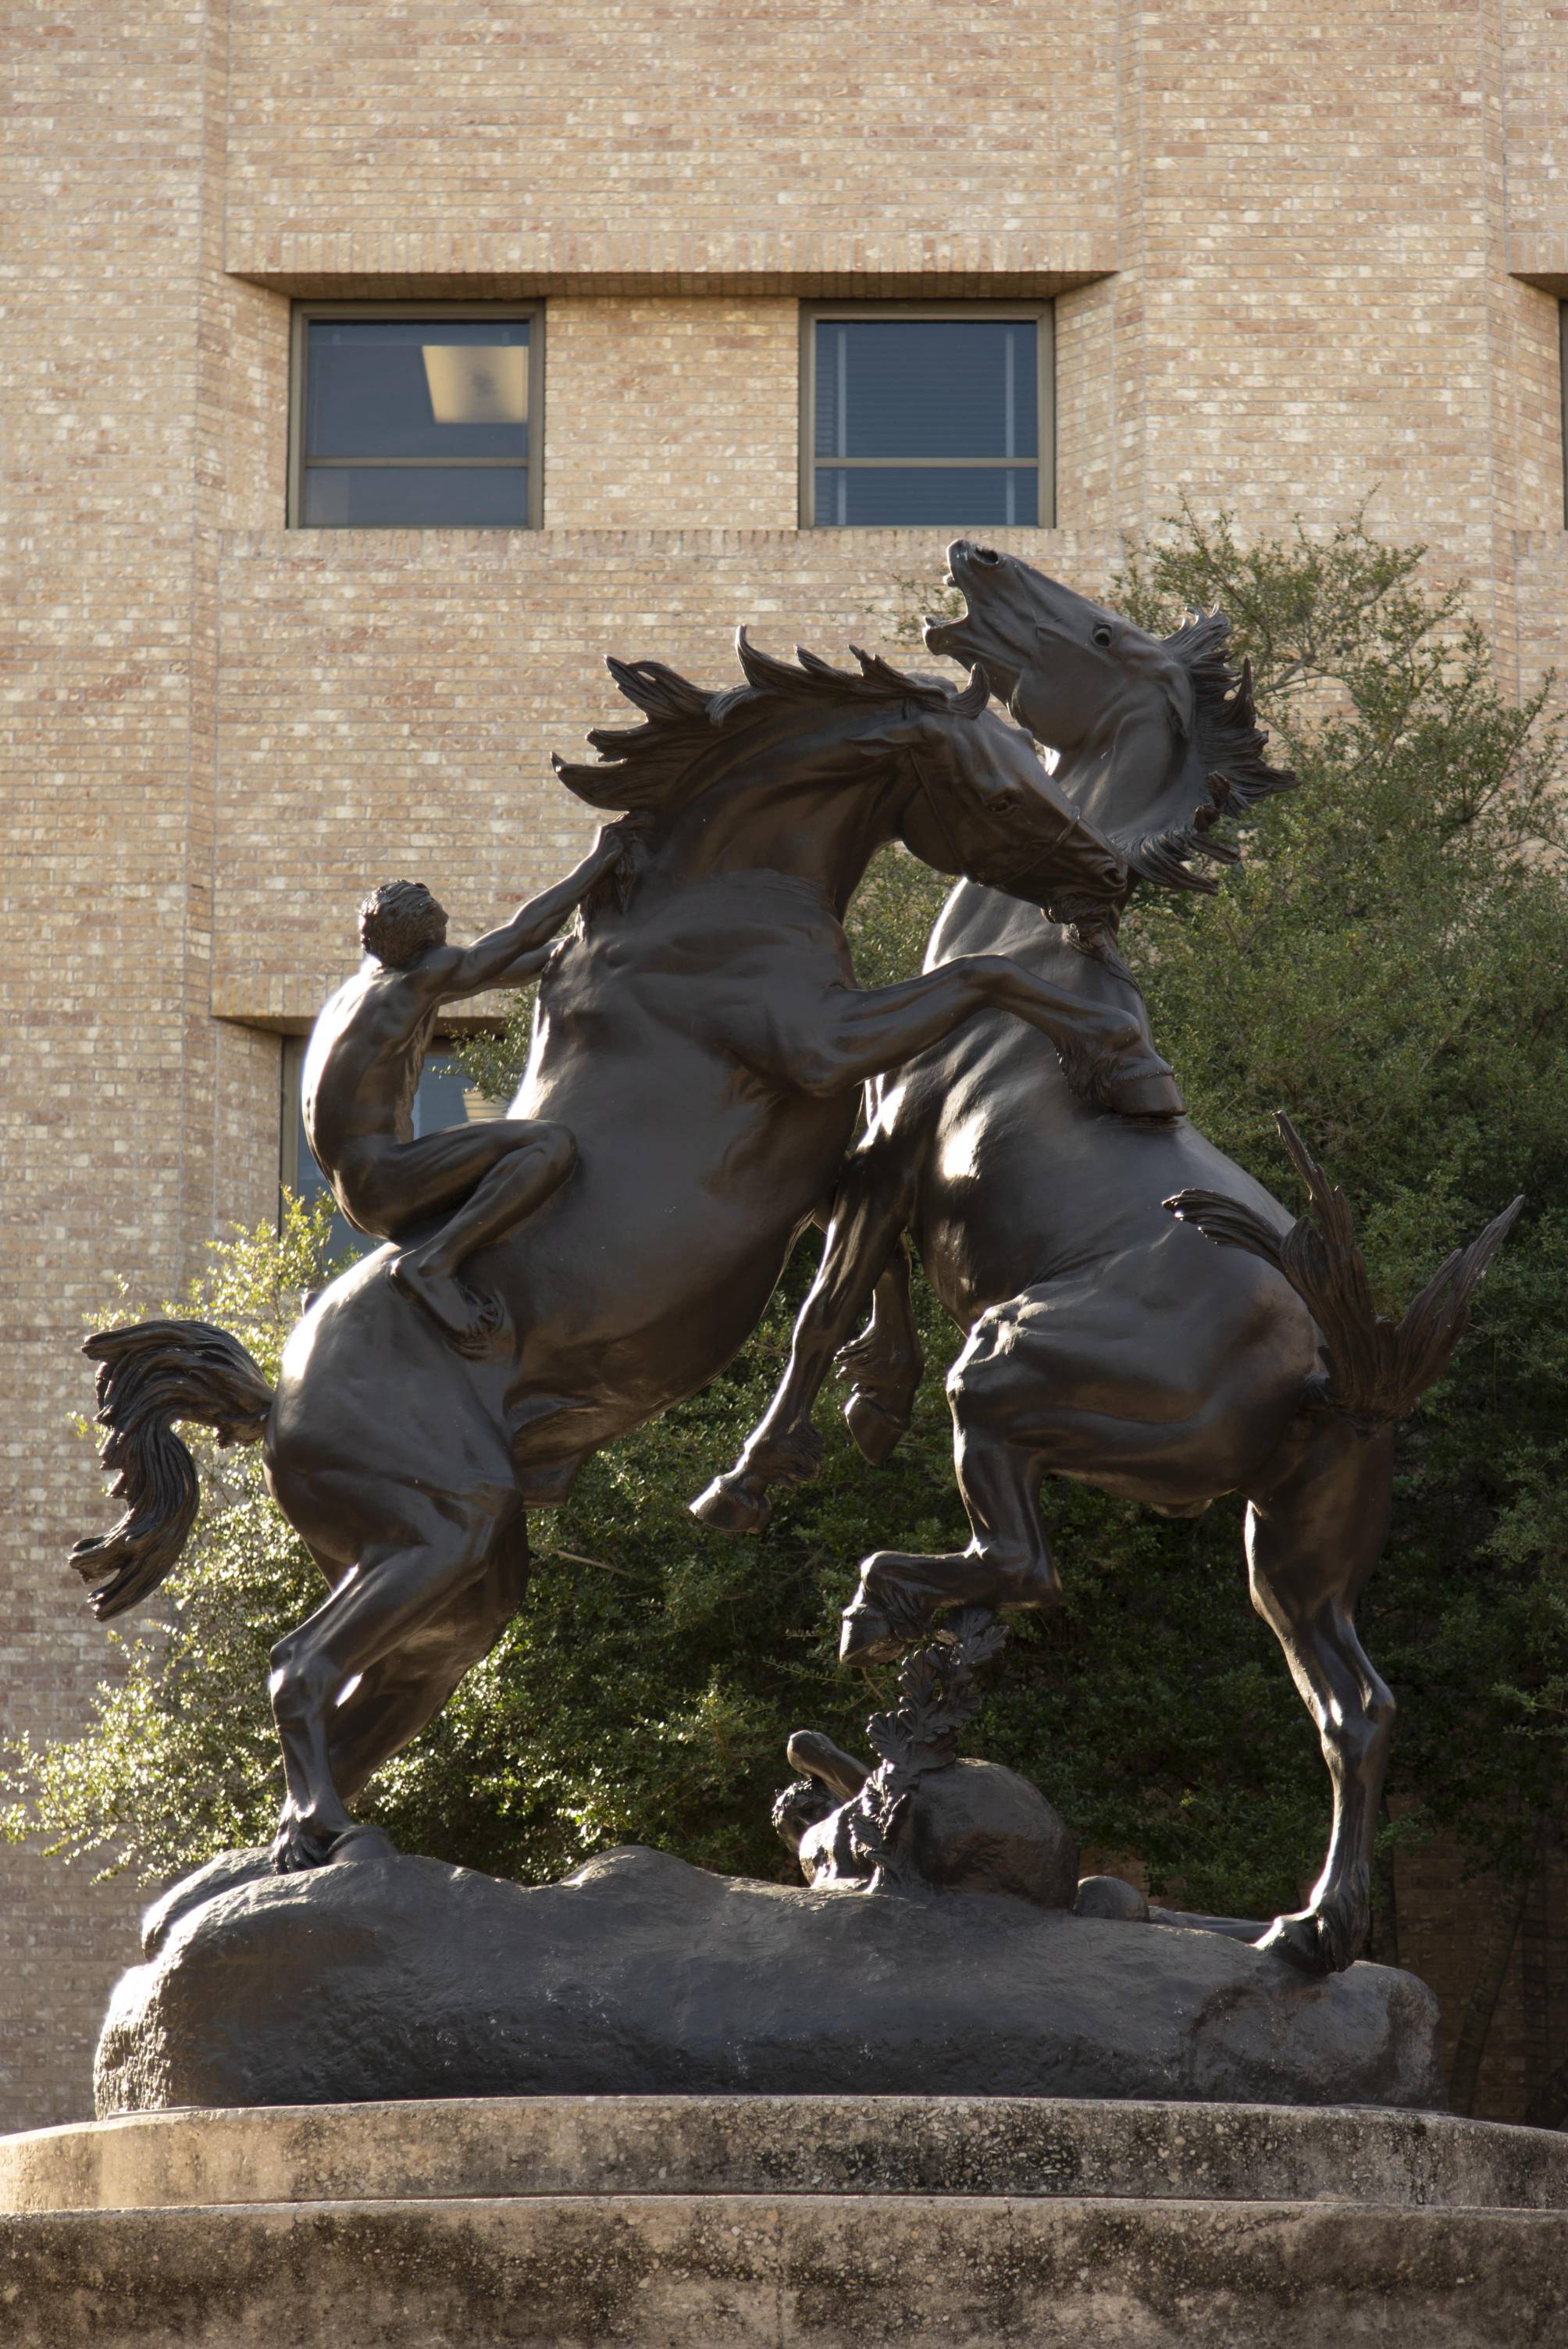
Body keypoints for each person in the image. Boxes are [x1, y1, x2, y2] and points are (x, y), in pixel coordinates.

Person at [301, 827, 630, 1352]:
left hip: (359, 1194)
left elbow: (507, 966)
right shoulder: (414, 981)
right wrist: (598, 864)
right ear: (424, 937)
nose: (449, 925)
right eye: (441, 921)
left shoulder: (368, 990)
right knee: (548, 1146)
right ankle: (434, 1265)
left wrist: (575, 950)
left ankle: (429, 1262)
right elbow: (520, 934)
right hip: (386, 1178)